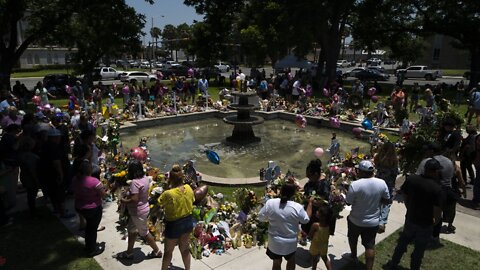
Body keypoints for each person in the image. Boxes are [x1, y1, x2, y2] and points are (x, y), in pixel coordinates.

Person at [386, 158, 444, 270]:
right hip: (425, 223)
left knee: (402, 243)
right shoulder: (437, 189)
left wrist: (409, 207)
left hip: (411, 218)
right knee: (419, 249)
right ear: (435, 171)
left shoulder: (412, 179)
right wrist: (435, 221)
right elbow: (437, 209)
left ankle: (393, 263)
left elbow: (405, 195)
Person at [343, 160, 390, 270]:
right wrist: (383, 221)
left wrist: (346, 192)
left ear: (361, 172)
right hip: (373, 222)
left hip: (355, 220)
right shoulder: (382, 183)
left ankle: (353, 256)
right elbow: (387, 201)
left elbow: (348, 202)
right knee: (369, 246)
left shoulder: (355, 185)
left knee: (352, 239)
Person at [258, 183, 312, 270]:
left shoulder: (270, 203)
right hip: (290, 243)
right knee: (291, 260)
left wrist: (271, 219)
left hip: (274, 242)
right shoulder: (297, 207)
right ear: (294, 194)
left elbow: (261, 217)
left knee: (276, 262)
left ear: (281, 191)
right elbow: (306, 220)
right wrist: (310, 204)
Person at [116, 160, 162, 260]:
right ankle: (129, 253)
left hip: (138, 212)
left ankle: (157, 251)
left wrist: (123, 200)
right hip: (142, 209)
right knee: (131, 231)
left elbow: (134, 199)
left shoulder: (135, 183)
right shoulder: (145, 178)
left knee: (144, 233)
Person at [158, 164, 195, 270]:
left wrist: (167, 187)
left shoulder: (168, 193)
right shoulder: (188, 188)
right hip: (187, 222)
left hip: (174, 224)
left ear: (170, 179)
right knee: (185, 249)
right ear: (182, 177)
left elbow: (159, 203)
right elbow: (192, 200)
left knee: (168, 252)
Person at [72, 160, 106, 257]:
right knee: (92, 229)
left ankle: (89, 245)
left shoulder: (75, 179)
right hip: (93, 209)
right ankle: (92, 250)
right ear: (90, 170)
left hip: (79, 207)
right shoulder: (95, 182)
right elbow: (103, 195)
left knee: (88, 228)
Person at [374, 142, 399, 233]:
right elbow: (395, 173)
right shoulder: (394, 160)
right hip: (388, 184)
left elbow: (376, 167)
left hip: (378, 182)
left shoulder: (378, 157)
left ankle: (375, 219)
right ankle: (382, 222)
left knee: (377, 201)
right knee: (386, 203)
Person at [302, 159, 331, 235]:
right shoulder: (312, 181)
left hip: (316, 216)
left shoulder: (324, 185)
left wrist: (310, 201)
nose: (308, 178)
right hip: (308, 212)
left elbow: (325, 202)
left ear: (315, 174)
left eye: (309, 176)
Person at [309, 204, 333, 270]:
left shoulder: (315, 225)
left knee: (314, 259)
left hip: (315, 244)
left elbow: (310, 235)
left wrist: (309, 237)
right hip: (324, 245)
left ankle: (314, 269)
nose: (316, 212)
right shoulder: (329, 225)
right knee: (325, 258)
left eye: (318, 212)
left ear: (322, 216)